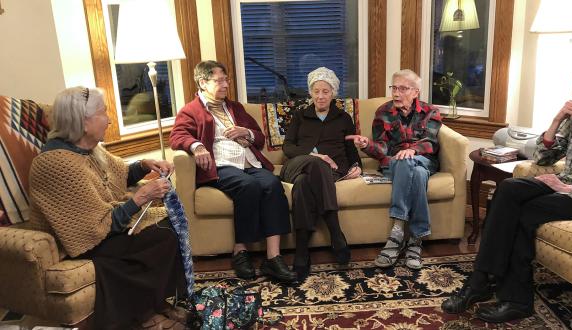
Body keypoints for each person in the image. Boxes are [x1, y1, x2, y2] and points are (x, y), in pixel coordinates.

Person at [441, 54, 572, 323]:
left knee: (525, 212)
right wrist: (557, 120)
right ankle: (487, 283)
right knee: (509, 189)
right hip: (566, 187)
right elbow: (543, 158)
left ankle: (500, 292)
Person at [28, 87, 188, 329]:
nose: (110, 119)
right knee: (159, 238)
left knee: (169, 226)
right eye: (103, 113)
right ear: (83, 122)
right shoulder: (56, 163)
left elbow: (119, 174)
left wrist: (145, 164)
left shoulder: (89, 149)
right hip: (77, 242)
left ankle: (155, 304)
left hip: (101, 229)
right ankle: (145, 313)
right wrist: (141, 197)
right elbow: (93, 228)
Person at [169, 60, 296, 282]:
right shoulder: (191, 110)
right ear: (203, 82)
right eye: (219, 80)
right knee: (248, 187)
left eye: (226, 79)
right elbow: (177, 136)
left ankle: (273, 258)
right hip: (222, 166)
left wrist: (245, 131)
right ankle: (240, 251)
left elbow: (260, 137)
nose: (226, 84)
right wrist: (197, 146)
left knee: (272, 184)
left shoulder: (235, 107)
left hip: (249, 162)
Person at [346, 69, 442, 270]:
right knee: (413, 171)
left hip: (423, 160)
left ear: (415, 92)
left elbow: (431, 142)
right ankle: (416, 240)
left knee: (410, 162)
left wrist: (412, 150)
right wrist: (367, 145)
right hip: (395, 164)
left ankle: (397, 232)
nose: (396, 93)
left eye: (403, 88)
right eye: (394, 87)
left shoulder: (431, 111)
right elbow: (381, 149)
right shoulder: (383, 112)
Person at [280, 67, 362, 280]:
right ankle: (336, 232)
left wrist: (357, 165)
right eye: (316, 91)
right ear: (310, 92)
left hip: (329, 171)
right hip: (297, 165)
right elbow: (288, 147)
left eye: (325, 91)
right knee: (317, 165)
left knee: (303, 186)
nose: (320, 96)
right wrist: (314, 156)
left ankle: (301, 250)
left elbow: (351, 148)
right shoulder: (300, 116)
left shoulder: (343, 118)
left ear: (333, 93)